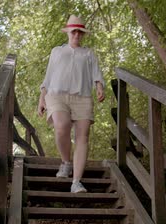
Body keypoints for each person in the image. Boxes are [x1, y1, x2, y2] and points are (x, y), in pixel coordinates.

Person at [38, 15, 105, 193]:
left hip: (82, 97)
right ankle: (66, 162)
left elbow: (97, 74)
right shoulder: (57, 51)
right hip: (57, 96)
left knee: (83, 137)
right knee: (62, 126)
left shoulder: (88, 54)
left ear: (83, 34)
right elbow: (48, 77)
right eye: (73, 31)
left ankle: (76, 182)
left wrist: (99, 87)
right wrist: (41, 99)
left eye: (80, 32)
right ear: (68, 32)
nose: (76, 34)